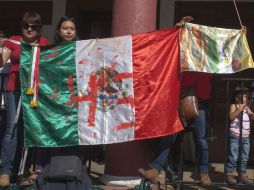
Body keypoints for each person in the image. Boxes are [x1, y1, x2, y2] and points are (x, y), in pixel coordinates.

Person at [18, 16, 79, 187]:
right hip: (52, 98)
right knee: (46, 129)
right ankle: (39, 169)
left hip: (73, 99)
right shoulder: (49, 50)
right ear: (59, 31)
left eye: (72, 28)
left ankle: (70, 169)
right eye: (65, 28)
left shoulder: (82, 49)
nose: (68, 31)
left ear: (75, 32)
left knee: (71, 134)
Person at [0, 12, 48, 188]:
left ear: (39, 29)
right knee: (12, 129)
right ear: (21, 27)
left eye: (34, 26)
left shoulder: (43, 44)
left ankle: (20, 172)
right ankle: (4, 171)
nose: (29, 29)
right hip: (14, 90)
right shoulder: (12, 41)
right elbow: (1, 62)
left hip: (34, 93)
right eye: (26, 25)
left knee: (27, 133)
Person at [225, 87, 253, 185]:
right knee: (233, 156)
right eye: (245, 97)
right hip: (235, 135)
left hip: (246, 135)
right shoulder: (234, 106)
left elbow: (252, 116)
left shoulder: (247, 107)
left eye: (247, 97)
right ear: (238, 98)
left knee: (244, 156)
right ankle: (229, 174)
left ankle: (242, 174)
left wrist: (250, 113)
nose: (247, 99)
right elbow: (231, 117)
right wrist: (240, 108)